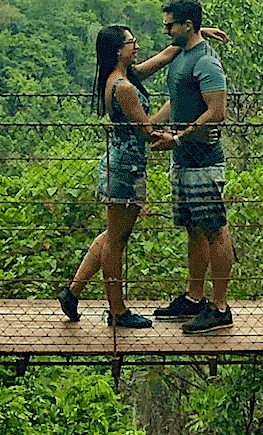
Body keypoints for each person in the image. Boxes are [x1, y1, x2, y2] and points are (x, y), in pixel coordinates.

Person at [58, 24, 177, 327]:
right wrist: (174, 115)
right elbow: (147, 132)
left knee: (113, 234)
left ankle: (73, 292)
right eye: (130, 42)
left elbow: (164, 56)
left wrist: (199, 32)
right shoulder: (123, 87)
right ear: (118, 50)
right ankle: (117, 309)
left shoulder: (122, 78)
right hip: (126, 168)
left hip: (121, 163)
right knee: (117, 240)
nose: (135, 46)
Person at [147, 0, 234, 333]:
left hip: (203, 161)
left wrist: (178, 137)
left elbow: (217, 112)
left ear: (187, 25)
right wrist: (151, 125)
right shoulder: (183, 55)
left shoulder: (207, 62)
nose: (165, 30)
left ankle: (219, 306)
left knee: (214, 228)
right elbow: (179, 99)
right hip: (182, 159)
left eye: (170, 25)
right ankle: (194, 298)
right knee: (194, 228)